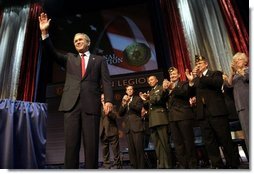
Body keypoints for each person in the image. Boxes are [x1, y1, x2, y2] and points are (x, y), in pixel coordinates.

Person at [38, 13, 114, 169]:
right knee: (71, 145)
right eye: (75, 41)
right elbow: (52, 53)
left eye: (80, 40)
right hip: (71, 105)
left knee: (91, 145)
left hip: (91, 105)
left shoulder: (99, 60)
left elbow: (106, 81)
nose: (77, 42)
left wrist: (108, 100)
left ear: (88, 42)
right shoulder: (70, 58)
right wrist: (45, 33)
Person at [185, 55, 239, 168]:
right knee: (209, 142)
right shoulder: (196, 79)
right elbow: (189, 94)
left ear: (206, 64)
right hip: (203, 114)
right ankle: (217, 164)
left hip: (217, 112)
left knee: (224, 139)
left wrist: (200, 77)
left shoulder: (216, 73)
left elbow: (217, 84)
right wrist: (190, 82)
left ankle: (232, 163)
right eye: (197, 64)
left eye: (200, 63)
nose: (198, 65)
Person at [163, 67, 197, 169]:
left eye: (174, 74)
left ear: (178, 75)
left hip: (183, 116)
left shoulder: (184, 84)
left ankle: (192, 165)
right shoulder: (167, 88)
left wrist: (173, 87)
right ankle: (183, 165)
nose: (172, 76)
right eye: (171, 75)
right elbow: (163, 101)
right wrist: (164, 90)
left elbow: (185, 94)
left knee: (188, 141)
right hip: (172, 118)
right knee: (178, 143)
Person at [139, 76, 173, 169]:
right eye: (148, 80)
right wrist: (144, 99)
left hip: (161, 119)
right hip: (152, 120)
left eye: (152, 79)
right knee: (157, 145)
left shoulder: (161, 88)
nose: (150, 81)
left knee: (164, 143)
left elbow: (157, 99)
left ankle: (168, 165)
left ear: (157, 80)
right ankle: (161, 164)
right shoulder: (150, 92)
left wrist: (148, 98)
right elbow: (146, 106)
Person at [224, 52, 249, 153]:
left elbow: (247, 78)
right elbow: (229, 85)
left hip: (249, 102)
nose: (236, 62)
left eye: (239, 59)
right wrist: (231, 72)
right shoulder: (235, 75)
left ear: (244, 61)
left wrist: (239, 71)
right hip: (241, 106)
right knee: (247, 132)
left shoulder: (249, 70)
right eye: (235, 60)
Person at [118, 85, 145, 169]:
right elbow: (120, 113)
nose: (129, 91)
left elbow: (138, 109)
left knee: (139, 149)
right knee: (131, 150)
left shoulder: (137, 98)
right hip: (128, 128)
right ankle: (134, 168)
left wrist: (130, 102)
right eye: (128, 90)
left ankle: (141, 168)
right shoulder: (125, 100)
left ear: (133, 91)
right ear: (126, 91)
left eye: (131, 89)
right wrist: (124, 103)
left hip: (137, 127)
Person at [99, 94, 121, 169]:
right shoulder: (98, 108)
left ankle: (117, 166)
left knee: (116, 151)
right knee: (105, 152)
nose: (102, 99)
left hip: (112, 132)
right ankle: (106, 166)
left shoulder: (112, 106)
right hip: (103, 133)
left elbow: (115, 117)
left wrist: (109, 113)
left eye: (104, 98)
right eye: (101, 98)